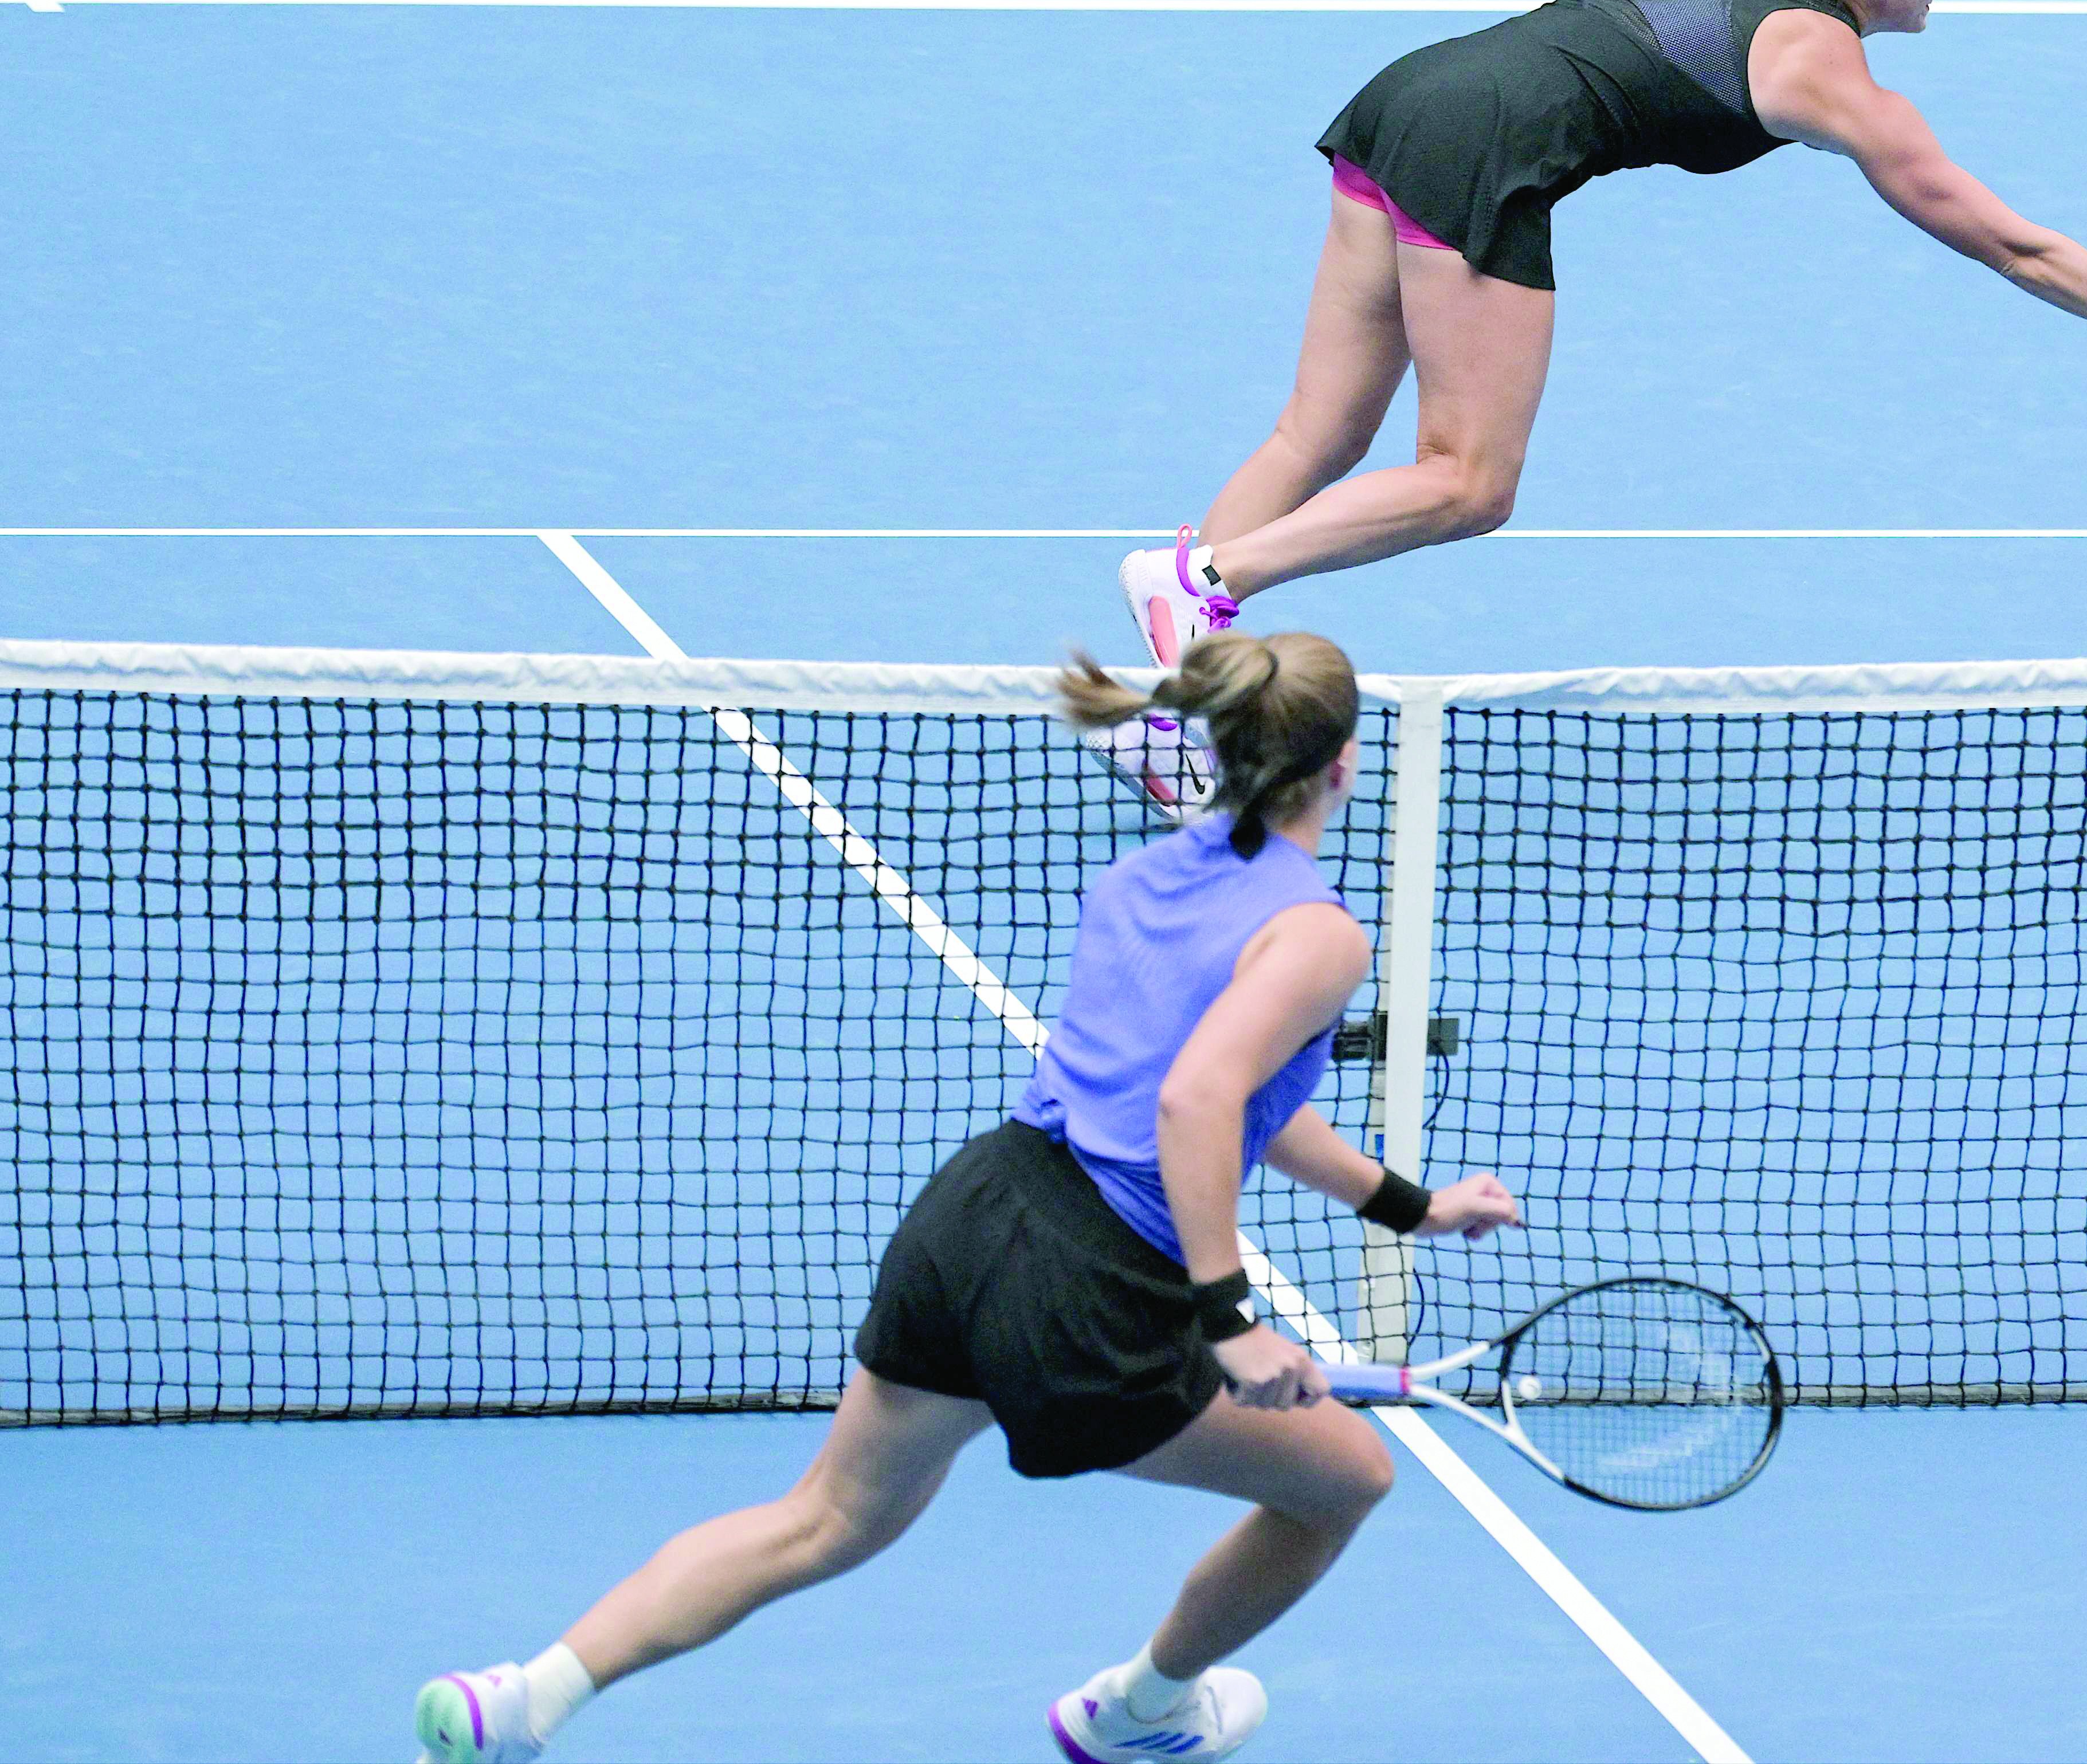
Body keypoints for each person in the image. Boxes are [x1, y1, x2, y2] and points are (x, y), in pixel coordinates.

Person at [413, 630, 1521, 1764]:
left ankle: (522, 1698)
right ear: (1340, 763)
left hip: (981, 1211)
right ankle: (1137, 1711)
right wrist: (1227, 1319)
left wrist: (1406, 1204)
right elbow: (1197, 1099)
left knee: (823, 1519)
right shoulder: (1317, 932)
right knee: (1346, 1483)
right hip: (1096, 1290)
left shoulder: (1146, 872)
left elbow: (1242, 1099)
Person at [1116, 0, 2087, 730]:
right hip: (1485, 152)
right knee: (1468, 482)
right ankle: (1206, 582)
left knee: (1314, 434)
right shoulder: (1831, 76)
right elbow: (2014, 245)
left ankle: (1175, 711)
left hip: (1407, 97)